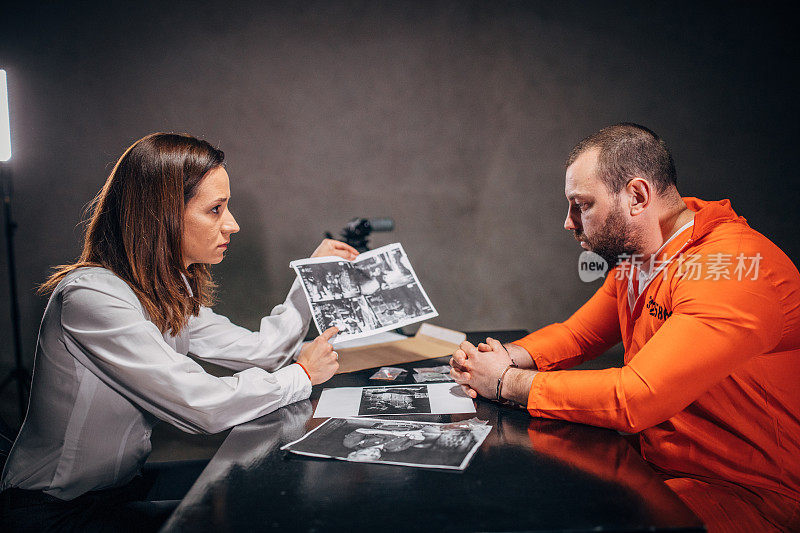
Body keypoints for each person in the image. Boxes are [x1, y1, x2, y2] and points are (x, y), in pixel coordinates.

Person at [0, 132, 359, 531]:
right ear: (161, 214)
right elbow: (201, 405)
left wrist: (310, 280)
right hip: (52, 514)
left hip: (119, 491)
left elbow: (264, 351)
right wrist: (303, 375)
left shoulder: (164, 290)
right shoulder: (92, 297)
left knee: (265, 494)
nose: (233, 224)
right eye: (215, 209)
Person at [450, 123, 800, 532]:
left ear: (636, 196)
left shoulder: (730, 269)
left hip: (750, 493)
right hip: (661, 467)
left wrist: (505, 382)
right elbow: (578, 335)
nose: (569, 222)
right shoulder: (642, 257)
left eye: (581, 205)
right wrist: (503, 357)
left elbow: (636, 398)